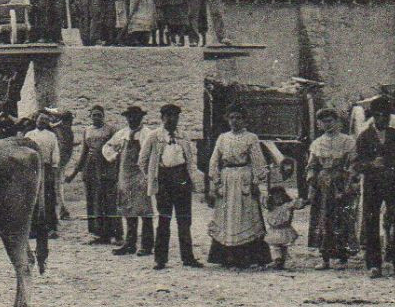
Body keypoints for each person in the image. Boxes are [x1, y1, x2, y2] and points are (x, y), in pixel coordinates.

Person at [355, 96, 395, 278]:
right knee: (371, 223)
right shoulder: (364, 137)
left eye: (387, 115)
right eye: (380, 115)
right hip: (372, 185)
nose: (384, 119)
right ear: (373, 116)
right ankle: (374, 265)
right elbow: (356, 164)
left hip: (393, 184)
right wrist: (371, 164)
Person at [141, 103, 204, 270]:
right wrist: (152, 177)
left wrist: (193, 180)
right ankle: (160, 259)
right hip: (164, 181)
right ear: (162, 118)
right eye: (168, 116)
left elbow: (190, 160)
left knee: (184, 220)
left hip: (182, 180)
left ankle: (188, 258)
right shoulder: (154, 136)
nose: (171, 119)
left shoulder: (183, 136)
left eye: (175, 116)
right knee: (164, 219)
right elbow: (143, 160)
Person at [206, 108, 271, 268]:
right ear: (228, 120)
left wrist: (256, 182)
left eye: (239, 117)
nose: (235, 121)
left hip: (244, 177)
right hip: (227, 178)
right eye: (232, 117)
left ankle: (248, 256)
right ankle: (225, 256)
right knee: (226, 215)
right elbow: (214, 160)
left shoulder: (251, 138)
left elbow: (258, 161)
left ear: (245, 120)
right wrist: (216, 181)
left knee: (245, 215)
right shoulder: (223, 138)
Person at [306, 107, 357, 269]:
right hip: (323, 184)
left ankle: (343, 257)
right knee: (323, 219)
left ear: (337, 122)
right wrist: (311, 177)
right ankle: (325, 258)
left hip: (341, 182)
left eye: (330, 121)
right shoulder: (317, 143)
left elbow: (353, 163)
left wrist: (349, 183)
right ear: (319, 124)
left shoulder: (347, 141)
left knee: (341, 218)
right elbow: (312, 165)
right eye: (323, 121)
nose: (327, 124)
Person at [104, 105, 157, 255]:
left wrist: (149, 174)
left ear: (141, 118)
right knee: (128, 209)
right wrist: (114, 156)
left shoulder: (148, 134)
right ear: (126, 118)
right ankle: (130, 244)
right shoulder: (122, 134)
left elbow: (154, 154)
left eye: (136, 116)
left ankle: (147, 245)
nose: (132, 119)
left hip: (141, 175)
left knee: (144, 210)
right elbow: (107, 147)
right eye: (130, 116)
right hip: (125, 175)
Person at [63, 104, 118, 242]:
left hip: (106, 167)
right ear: (90, 116)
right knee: (93, 201)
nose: (96, 117)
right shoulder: (87, 130)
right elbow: (83, 153)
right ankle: (96, 233)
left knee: (108, 201)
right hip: (90, 168)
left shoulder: (110, 130)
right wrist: (73, 173)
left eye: (99, 115)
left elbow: (116, 150)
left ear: (103, 116)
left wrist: (115, 170)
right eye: (94, 115)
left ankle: (114, 233)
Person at [24, 114, 61, 274]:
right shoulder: (29, 135)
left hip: (45, 167)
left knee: (47, 198)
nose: (41, 123)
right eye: (40, 120)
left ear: (47, 124)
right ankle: (31, 228)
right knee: (32, 198)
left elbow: (55, 153)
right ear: (36, 121)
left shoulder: (51, 136)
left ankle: (50, 226)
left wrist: (54, 166)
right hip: (31, 167)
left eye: (44, 121)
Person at [263, 185, 304, 271]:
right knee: (274, 246)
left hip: (284, 229)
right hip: (274, 230)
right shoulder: (270, 207)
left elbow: (299, 204)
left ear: (284, 196)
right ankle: (277, 260)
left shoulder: (287, 206)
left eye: (280, 196)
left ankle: (281, 261)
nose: (278, 198)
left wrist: (302, 200)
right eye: (275, 196)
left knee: (283, 246)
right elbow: (263, 200)